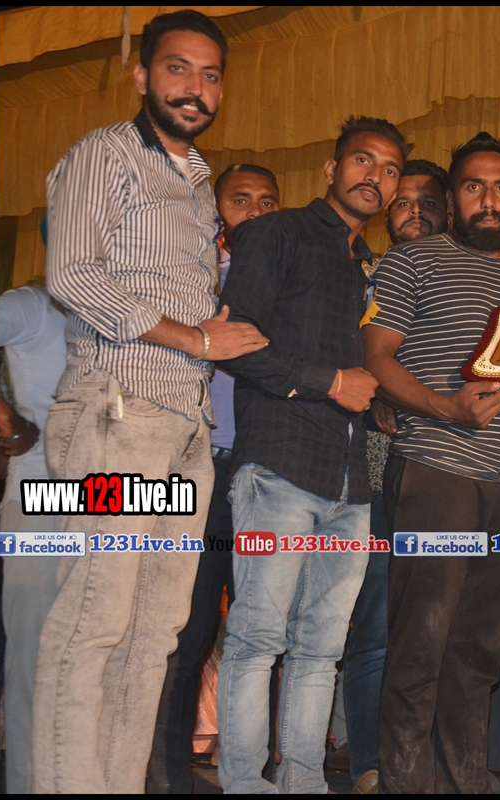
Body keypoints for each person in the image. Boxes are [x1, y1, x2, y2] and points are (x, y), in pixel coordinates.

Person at [33, 12, 270, 793]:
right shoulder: (103, 154)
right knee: (96, 615)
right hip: (117, 411)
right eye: (177, 69)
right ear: (141, 76)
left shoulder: (198, 182)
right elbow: (72, 276)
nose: (194, 88)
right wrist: (196, 338)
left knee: (155, 632)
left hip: (184, 429)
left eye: (210, 75)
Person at [214, 116, 400, 793]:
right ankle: (244, 783)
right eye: (362, 160)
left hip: (351, 483)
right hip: (280, 468)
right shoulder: (276, 233)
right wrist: (330, 382)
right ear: (330, 169)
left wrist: (371, 396)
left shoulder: (366, 266)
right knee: (257, 640)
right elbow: (235, 341)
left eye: (389, 169)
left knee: (322, 650)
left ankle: (304, 782)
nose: (374, 177)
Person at [364, 132, 500, 794]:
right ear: (452, 196)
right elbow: (375, 357)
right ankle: (406, 784)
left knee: (479, 654)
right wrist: (446, 408)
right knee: (421, 642)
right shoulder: (412, 259)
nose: (488, 199)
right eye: (474, 186)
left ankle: (464, 782)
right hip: (434, 469)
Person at [146, 163, 281, 793]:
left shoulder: (289, 280)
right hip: (198, 471)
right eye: (240, 199)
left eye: (267, 202)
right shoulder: (192, 278)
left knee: (261, 635)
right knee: (189, 630)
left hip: (268, 477)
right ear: (215, 210)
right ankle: (165, 776)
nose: (254, 211)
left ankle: (252, 774)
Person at [345, 156, 452, 794]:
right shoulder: (364, 276)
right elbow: (342, 355)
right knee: (378, 627)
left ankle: (431, 766)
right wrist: (375, 389)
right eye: (402, 201)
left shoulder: (475, 275)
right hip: (376, 475)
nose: (413, 211)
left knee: (441, 633)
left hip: (454, 479)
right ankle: (368, 765)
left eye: (427, 201)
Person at [0, 283, 67, 793]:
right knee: (33, 655)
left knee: (84, 656)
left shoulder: (124, 315)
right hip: (41, 491)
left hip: (113, 499)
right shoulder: (33, 305)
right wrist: (6, 421)